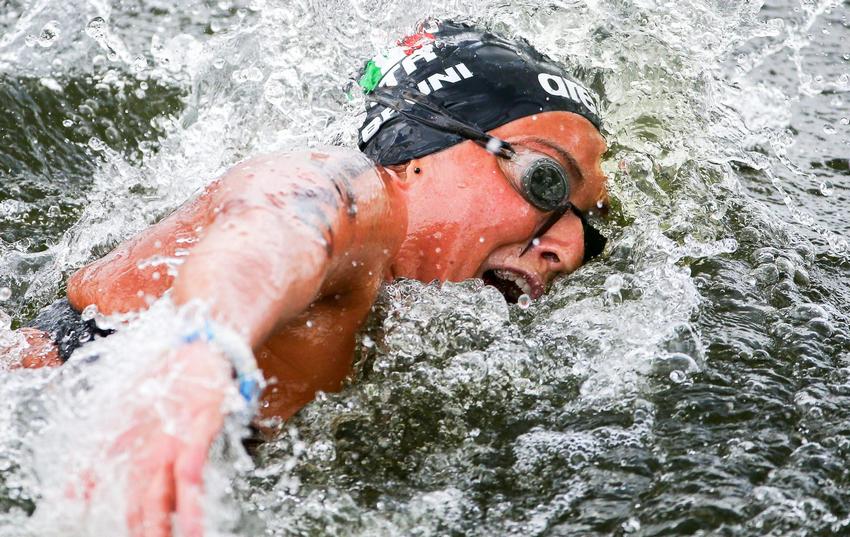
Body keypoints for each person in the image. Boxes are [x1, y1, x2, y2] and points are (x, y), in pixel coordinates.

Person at [11, 20, 609, 537]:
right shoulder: (355, 193)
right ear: (427, 146)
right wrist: (198, 350)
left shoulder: (402, 310)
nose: (569, 247)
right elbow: (275, 228)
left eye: (591, 225)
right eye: (546, 182)